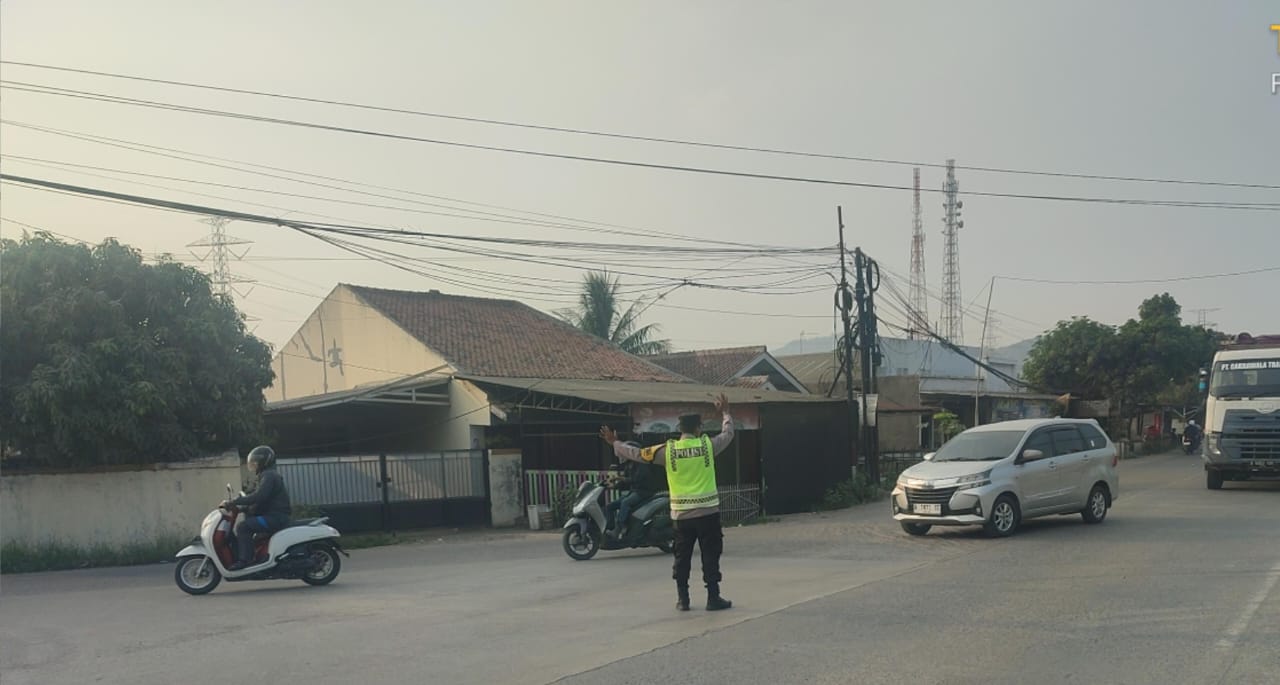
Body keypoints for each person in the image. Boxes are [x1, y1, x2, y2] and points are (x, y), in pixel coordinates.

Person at [600, 393, 736, 612]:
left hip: (681, 516)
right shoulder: (707, 446)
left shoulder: (667, 451)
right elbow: (727, 434)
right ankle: (713, 597)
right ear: (699, 428)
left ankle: (683, 600)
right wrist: (726, 413)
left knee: (682, 557)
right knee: (710, 556)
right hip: (708, 514)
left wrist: (614, 442)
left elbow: (637, 453)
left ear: (680, 429)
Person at [221, 445, 292, 570]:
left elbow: (259, 496)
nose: (253, 466)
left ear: (264, 462)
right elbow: (260, 500)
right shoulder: (267, 475)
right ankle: (255, 558)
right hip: (273, 516)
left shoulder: (269, 476)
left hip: (275, 517)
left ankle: (245, 561)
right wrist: (242, 508)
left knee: (243, 527)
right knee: (249, 528)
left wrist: (235, 502)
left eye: (255, 463)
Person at [604, 446, 661, 539]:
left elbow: (635, 480)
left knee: (625, 502)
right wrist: (614, 486)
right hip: (633, 492)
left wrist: (620, 478)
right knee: (610, 506)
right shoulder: (629, 466)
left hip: (643, 492)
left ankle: (620, 528)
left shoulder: (641, 465)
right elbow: (626, 482)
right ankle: (610, 528)